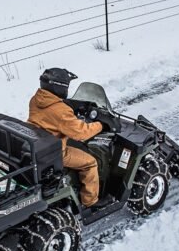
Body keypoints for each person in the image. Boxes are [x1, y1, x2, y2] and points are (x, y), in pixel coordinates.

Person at [28, 68, 115, 209]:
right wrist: (102, 125)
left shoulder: (36, 100)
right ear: (59, 87)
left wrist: (70, 105)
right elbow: (81, 133)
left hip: (38, 143)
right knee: (90, 162)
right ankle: (91, 201)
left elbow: (52, 113)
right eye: (67, 86)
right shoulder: (61, 112)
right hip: (55, 152)